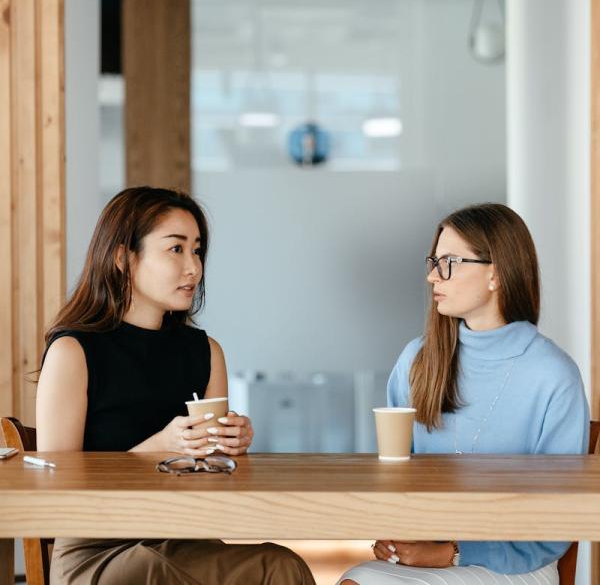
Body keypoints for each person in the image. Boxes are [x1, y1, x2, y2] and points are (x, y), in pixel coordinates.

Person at [36, 186, 316, 585]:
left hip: (186, 539)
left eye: (197, 250)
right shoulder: (74, 352)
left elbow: (216, 478)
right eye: (176, 249)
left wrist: (231, 447)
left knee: (282, 565)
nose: (194, 268)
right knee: (154, 571)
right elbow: (58, 486)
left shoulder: (206, 352)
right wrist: (159, 448)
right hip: (98, 550)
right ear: (122, 257)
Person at [339, 203, 589, 585]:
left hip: (519, 566)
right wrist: (394, 531)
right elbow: (396, 474)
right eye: (432, 261)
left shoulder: (553, 375)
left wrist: (453, 552)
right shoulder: (417, 360)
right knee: (358, 579)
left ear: (496, 274)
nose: (432, 277)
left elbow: (557, 520)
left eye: (450, 262)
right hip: (429, 552)